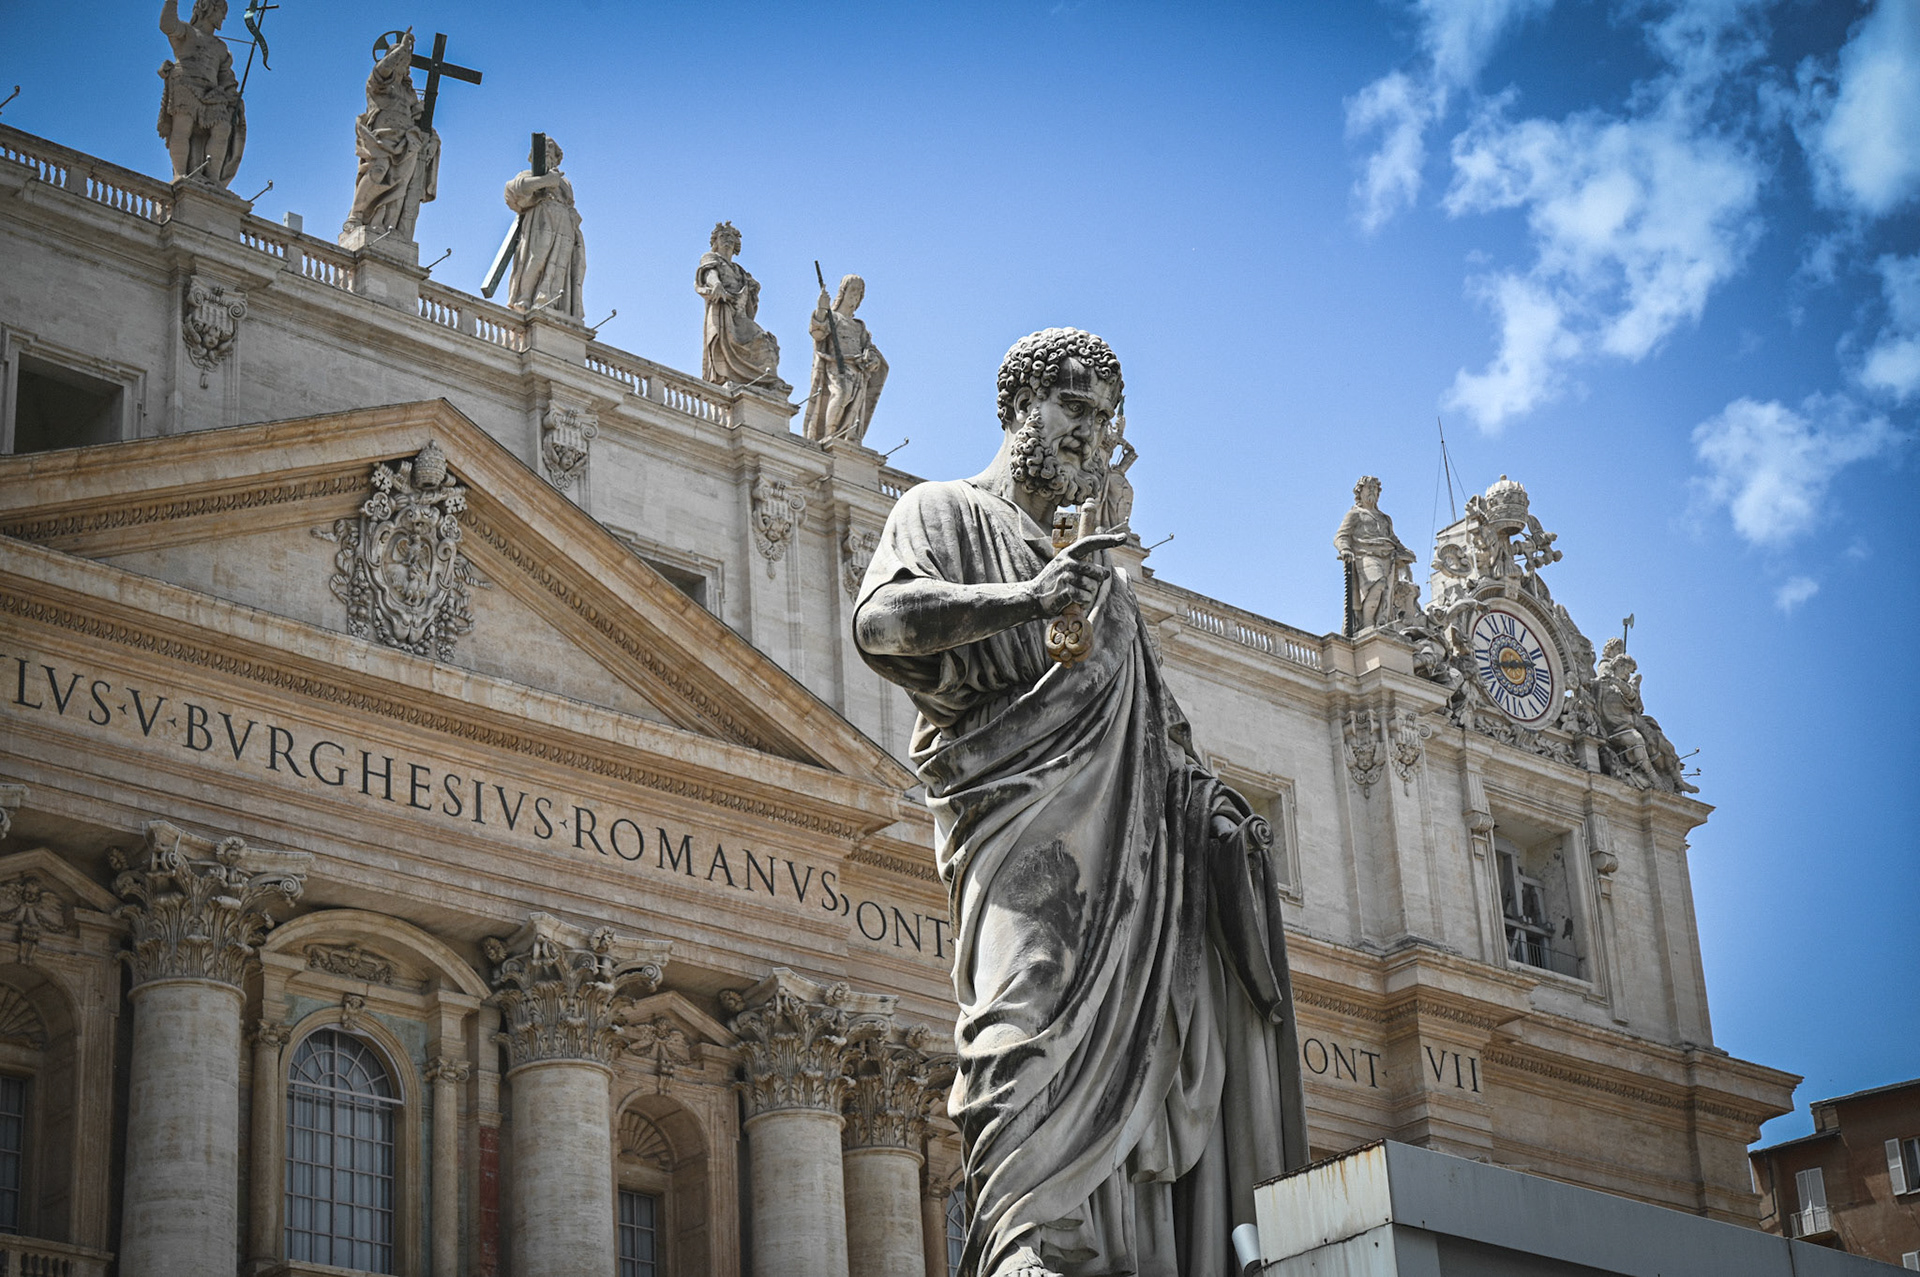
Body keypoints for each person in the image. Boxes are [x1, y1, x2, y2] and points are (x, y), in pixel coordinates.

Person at [854, 328, 1308, 1277]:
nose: (1088, 434)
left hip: (1125, 872)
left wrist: (1221, 824)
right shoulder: (941, 510)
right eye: (1072, 407)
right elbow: (880, 624)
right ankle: (1029, 1239)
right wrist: (1028, 598)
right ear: (1019, 406)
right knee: (1017, 1016)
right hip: (1015, 831)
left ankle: (1091, 1245)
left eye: (1103, 420)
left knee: (1123, 1054)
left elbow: (1162, 745)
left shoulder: (1107, 586)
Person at [344, 31, 439, 241]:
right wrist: (402, 49)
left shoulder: (408, 93)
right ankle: (356, 216)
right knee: (378, 170)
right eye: (401, 60)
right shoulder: (378, 84)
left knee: (400, 183)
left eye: (406, 62)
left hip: (407, 140)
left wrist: (430, 136)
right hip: (382, 137)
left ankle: (387, 225)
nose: (405, 65)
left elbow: (419, 118)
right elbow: (382, 69)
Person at [157, 0, 246, 188]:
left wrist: (234, 98)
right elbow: (167, 25)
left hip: (213, 93)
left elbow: (227, 78)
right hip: (186, 83)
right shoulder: (187, 32)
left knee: (223, 128)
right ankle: (180, 174)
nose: (224, 17)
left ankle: (213, 178)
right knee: (183, 127)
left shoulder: (221, 48)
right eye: (221, 11)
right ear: (208, 7)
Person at [695, 221, 788, 393]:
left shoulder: (739, 270)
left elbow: (751, 294)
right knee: (726, 343)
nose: (728, 240)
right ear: (715, 241)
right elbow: (710, 274)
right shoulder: (710, 257)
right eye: (723, 236)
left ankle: (770, 381)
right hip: (723, 309)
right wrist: (716, 284)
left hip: (740, 313)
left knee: (765, 341)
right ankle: (732, 377)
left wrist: (753, 288)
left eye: (731, 237)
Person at [504, 136, 585, 319]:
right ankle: (525, 298)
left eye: (551, 146)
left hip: (564, 223)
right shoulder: (528, 174)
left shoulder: (566, 183)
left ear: (557, 156)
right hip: (541, 217)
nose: (547, 149)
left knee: (560, 264)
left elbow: (570, 203)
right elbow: (513, 190)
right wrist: (546, 180)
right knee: (536, 258)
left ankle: (550, 300)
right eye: (544, 146)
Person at [803, 273, 888, 443]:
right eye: (853, 290)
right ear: (843, 292)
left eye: (859, 293)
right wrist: (821, 309)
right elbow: (818, 333)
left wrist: (872, 359)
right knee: (842, 393)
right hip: (836, 366)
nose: (855, 296)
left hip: (857, 370)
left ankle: (844, 437)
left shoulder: (859, 326)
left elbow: (869, 348)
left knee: (853, 405)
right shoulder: (832, 317)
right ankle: (829, 435)